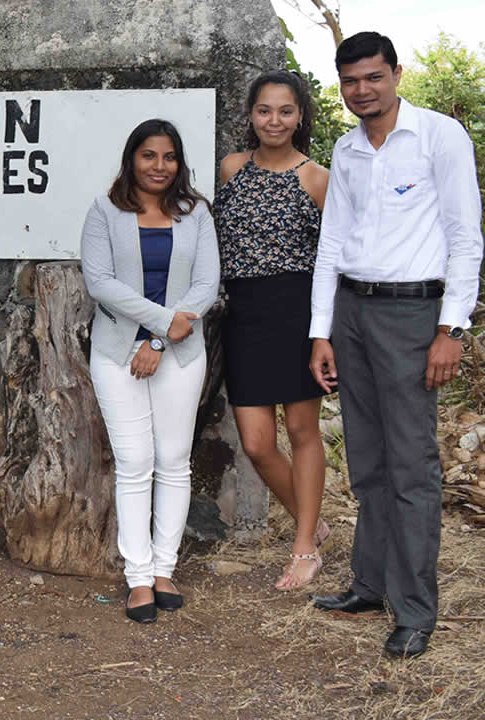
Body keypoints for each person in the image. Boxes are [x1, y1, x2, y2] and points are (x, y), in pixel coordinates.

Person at [307, 32, 483, 659]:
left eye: (373, 77)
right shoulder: (347, 148)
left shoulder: (439, 136)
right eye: (350, 81)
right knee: (367, 458)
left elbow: (465, 237)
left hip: (413, 313)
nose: (362, 90)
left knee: (411, 465)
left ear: (396, 74)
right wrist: (321, 331)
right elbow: (332, 243)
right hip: (352, 311)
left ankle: (413, 610)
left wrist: (451, 328)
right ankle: (371, 584)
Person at [80, 119, 220, 624]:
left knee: (174, 460)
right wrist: (161, 324)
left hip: (178, 353)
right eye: (149, 156)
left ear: (179, 162)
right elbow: (100, 282)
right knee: (135, 462)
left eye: (169, 156)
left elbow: (206, 284)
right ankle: (138, 576)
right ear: (132, 159)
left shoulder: (196, 212)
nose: (159, 166)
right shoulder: (105, 210)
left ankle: (165, 569)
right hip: (118, 351)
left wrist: (160, 340)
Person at [214, 71, 332, 590]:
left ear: (300, 116)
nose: (274, 120)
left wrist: (324, 332)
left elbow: (332, 260)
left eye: (285, 111)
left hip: (297, 314)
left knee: (303, 433)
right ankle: (313, 522)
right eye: (265, 110)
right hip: (243, 316)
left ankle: (304, 547)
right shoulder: (231, 168)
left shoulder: (317, 178)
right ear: (251, 114)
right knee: (258, 443)